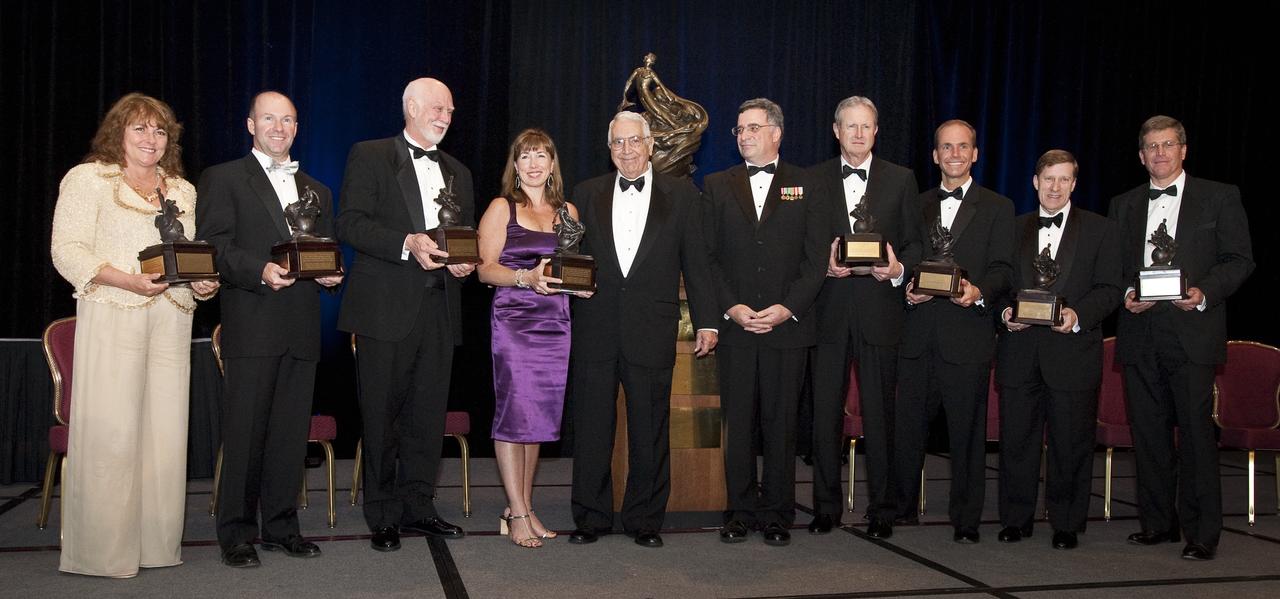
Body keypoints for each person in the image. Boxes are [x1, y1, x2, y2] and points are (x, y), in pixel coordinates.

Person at [50, 92, 219, 577]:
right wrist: (125, 279)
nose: (151, 139)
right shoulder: (89, 180)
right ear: (118, 133)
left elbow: (189, 257)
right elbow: (67, 250)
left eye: (160, 130)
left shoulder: (182, 191)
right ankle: (102, 554)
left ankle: (155, 546)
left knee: (165, 437)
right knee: (113, 435)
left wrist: (205, 284)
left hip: (172, 317)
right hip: (114, 310)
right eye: (140, 129)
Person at [195, 91, 343, 567]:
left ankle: (282, 525)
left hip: (301, 329)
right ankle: (235, 533)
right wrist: (259, 268)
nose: (279, 127)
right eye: (269, 119)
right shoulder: (223, 178)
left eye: (288, 120)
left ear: (297, 128)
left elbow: (326, 250)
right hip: (252, 324)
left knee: (288, 435)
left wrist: (331, 274)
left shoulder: (318, 189)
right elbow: (214, 246)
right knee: (244, 434)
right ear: (251, 124)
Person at [336, 78, 475, 552]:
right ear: (411, 106)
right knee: (381, 417)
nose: (445, 117)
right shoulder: (370, 154)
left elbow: (465, 239)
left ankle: (419, 508)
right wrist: (406, 243)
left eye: (451, 112)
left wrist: (464, 263)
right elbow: (350, 222)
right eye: (438, 108)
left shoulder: (459, 170)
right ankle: (383, 514)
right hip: (383, 310)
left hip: (441, 309)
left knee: (427, 417)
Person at [566, 112, 717, 548]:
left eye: (635, 142)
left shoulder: (683, 194)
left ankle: (645, 519)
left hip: (652, 327)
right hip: (596, 326)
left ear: (651, 145)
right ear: (608, 148)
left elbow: (698, 263)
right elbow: (573, 258)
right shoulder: (585, 193)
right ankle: (590, 518)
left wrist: (707, 320)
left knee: (650, 428)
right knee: (593, 427)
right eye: (618, 143)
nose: (627, 151)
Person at [1108, 116, 1254, 560]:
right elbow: (1113, 268)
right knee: (1148, 435)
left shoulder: (1220, 196)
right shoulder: (1124, 204)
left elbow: (1239, 260)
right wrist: (1127, 295)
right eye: (1151, 147)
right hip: (1140, 332)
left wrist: (1204, 292)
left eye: (1168, 144)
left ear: (1184, 149)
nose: (1160, 153)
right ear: (1140, 155)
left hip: (1193, 332)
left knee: (1194, 436)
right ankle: (1158, 524)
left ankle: (1202, 532)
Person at [703, 98, 827, 547]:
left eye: (752, 127)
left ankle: (777, 513)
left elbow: (817, 261)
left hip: (787, 328)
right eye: (738, 129)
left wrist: (787, 308)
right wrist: (731, 307)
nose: (744, 135)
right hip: (737, 327)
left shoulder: (807, 184)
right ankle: (737, 511)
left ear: (777, 132)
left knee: (782, 425)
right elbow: (708, 258)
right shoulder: (717, 185)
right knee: (738, 425)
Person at [994, 150, 1122, 550]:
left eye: (1063, 179)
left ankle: (1066, 522)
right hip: (1020, 351)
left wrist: (1077, 315)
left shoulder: (1101, 230)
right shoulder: (1010, 228)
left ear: (1074, 184)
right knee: (1016, 440)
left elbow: (1110, 289)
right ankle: (1016, 518)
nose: (1055, 187)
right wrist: (1003, 313)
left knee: (1071, 442)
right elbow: (997, 281)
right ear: (1035, 182)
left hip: (1072, 352)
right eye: (1048, 179)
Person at [806, 96, 921, 539]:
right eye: (849, 126)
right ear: (836, 130)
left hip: (880, 314)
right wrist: (825, 264)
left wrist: (897, 271)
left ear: (876, 132)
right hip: (829, 313)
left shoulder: (901, 179)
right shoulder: (813, 179)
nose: (857, 134)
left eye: (865, 126)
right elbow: (804, 245)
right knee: (823, 416)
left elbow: (913, 245)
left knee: (880, 416)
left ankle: (883, 510)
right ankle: (824, 508)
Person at [896, 119, 1014, 544]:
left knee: (967, 435)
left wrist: (978, 291)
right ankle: (902, 508)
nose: (955, 154)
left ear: (975, 153)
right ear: (935, 155)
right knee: (907, 429)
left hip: (967, 335)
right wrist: (908, 291)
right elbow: (905, 259)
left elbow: (1005, 269)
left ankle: (966, 520)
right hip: (917, 335)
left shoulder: (998, 207)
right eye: (946, 147)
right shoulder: (915, 202)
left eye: (963, 146)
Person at [476, 128, 588, 548]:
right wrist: (526, 278)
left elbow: (571, 268)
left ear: (553, 163)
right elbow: (484, 269)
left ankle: (521, 505)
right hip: (515, 319)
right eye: (526, 156)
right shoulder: (501, 207)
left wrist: (580, 286)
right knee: (513, 414)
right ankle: (518, 512)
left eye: (542, 155)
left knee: (537, 418)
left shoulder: (568, 211)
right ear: (515, 165)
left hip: (556, 322)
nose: (535, 163)